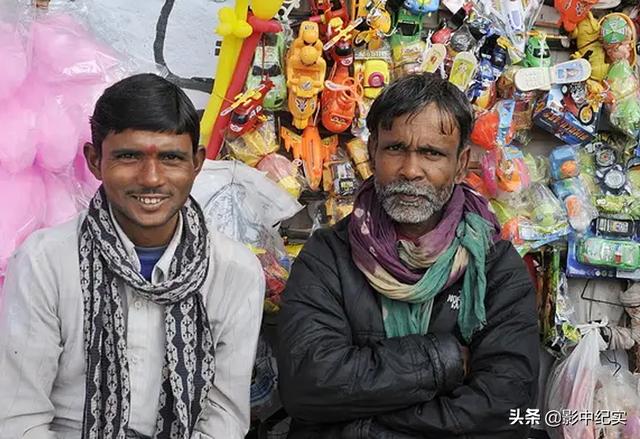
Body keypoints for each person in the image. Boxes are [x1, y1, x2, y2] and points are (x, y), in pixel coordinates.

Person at [0, 73, 265, 439]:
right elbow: (19, 418)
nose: (152, 178)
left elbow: (224, 418)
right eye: (129, 156)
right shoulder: (44, 262)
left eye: (171, 158)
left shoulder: (235, 272)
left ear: (197, 163)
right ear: (95, 161)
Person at [277, 73, 539, 438]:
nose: (411, 170)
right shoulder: (328, 256)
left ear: (461, 164)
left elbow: (505, 404)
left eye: (432, 153)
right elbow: (308, 383)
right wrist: (442, 359)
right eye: (395, 148)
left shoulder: (495, 267)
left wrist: (363, 423)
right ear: (372, 154)